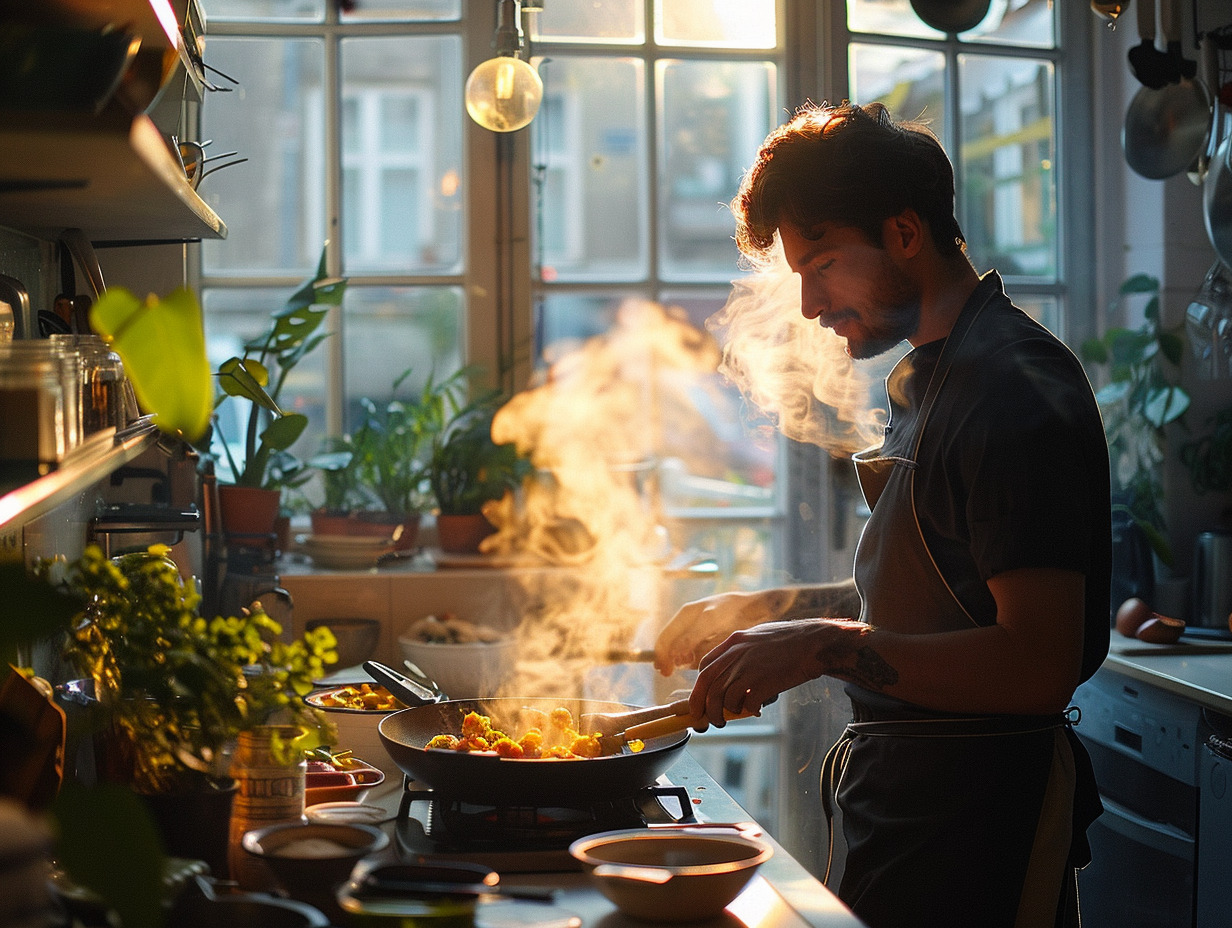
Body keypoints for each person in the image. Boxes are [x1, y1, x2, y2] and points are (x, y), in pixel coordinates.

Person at [653, 101, 1110, 928]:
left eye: (821, 263)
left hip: (984, 832)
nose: (807, 305)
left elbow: (1039, 662)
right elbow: (932, 604)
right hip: (907, 814)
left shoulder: (1012, 388)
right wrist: (774, 613)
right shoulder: (936, 375)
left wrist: (820, 647)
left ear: (905, 234)